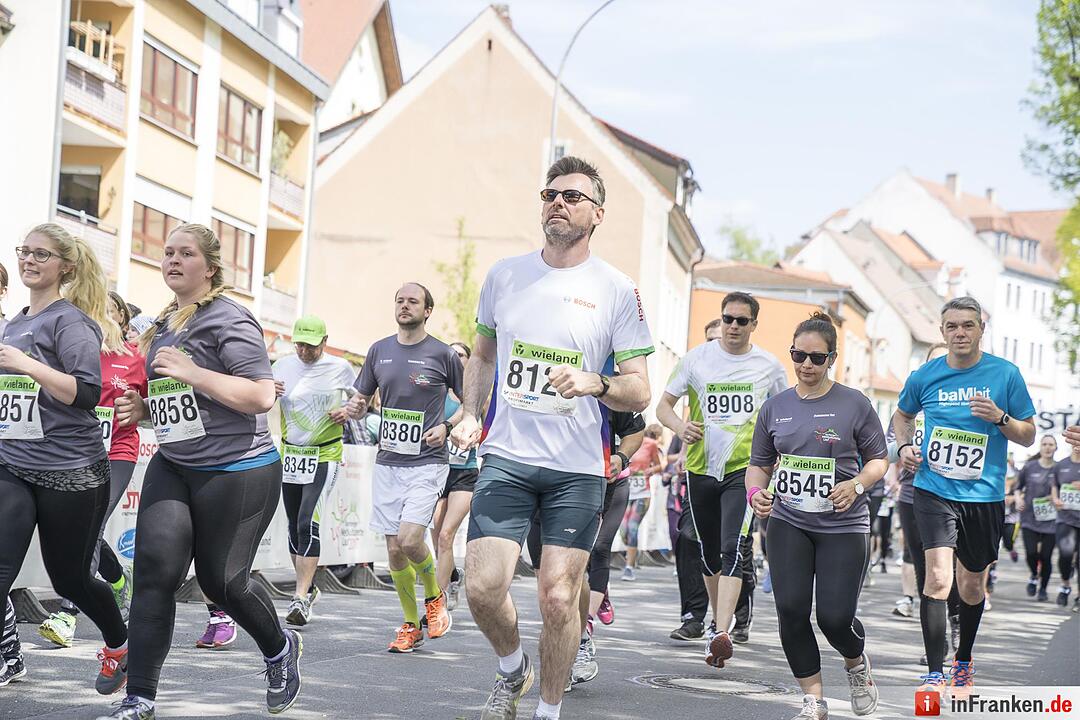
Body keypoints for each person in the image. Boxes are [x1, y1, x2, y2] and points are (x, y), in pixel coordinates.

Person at [451, 156, 653, 720]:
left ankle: (548, 710)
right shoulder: (504, 275)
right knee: (483, 588)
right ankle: (512, 668)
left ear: (597, 214)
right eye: (549, 194)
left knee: (559, 596)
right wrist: (471, 412)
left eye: (571, 196)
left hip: (577, 469)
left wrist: (596, 382)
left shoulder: (617, 290)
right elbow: (484, 354)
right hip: (507, 457)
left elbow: (640, 391)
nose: (556, 203)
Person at [99, 223, 300, 720]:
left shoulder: (230, 319)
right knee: (154, 575)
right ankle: (140, 698)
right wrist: (144, 411)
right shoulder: (165, 323)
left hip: (239, 468)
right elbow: (182, 400)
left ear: (209, 267)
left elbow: (258, 395)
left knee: (223, 582)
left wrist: (191, 372)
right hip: (176, 463)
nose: (172, 260)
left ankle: (279, 648)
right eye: (167, 252)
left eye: (185, 253)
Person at [0, 225, 130, 695]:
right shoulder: (12, 323)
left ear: (66, 267)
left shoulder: (70, 322)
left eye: (41, 254)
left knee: (71, 579)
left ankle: (120, 645)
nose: (29, 261)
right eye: (25, 252)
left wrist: (27, 364)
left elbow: (87, 394)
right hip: (13, 463)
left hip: (70, 471)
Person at [892, 296, 1036, 700]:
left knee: (971, 586)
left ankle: (964, 660)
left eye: (968, 325)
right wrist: (904, 449)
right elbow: (902, 415)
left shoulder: (1005, 375)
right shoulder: (925, 376)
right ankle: (935, 673)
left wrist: (1001, 419)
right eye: (952, 326)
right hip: (933, 489)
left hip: (984, 495)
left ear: (980, 330)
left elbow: (1028, 432)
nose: (959, 333)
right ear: (942, 332)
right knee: (937, 578)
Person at [746, 311, 887, 720]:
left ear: (832, 359)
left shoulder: (854, 403)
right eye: (799, 355)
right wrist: (756, 492)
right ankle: (814, 699)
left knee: (834, 617)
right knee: (790, 609)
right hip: (789, 520)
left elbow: (879, 460)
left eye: (816, 358)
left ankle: (857, 663)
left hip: (843, 524)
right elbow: (760, 464)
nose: (807, 365)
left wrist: (856, 485)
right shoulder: (775, 408)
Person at [657, 295, 787, 670]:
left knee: (733, 547)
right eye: (728, 318)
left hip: (745, 469)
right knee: (709, 552)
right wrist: (681, 426)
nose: (733, 326)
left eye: (742, 321)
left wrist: (777, 451)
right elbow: (663, 406)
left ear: (754, 325)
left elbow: (783, 413)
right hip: (700, 468)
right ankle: (719, 621)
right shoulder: (696, 359)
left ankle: (721, 629)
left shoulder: (768, 366)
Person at [345, 282, 462, 652]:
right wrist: (356, 408)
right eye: (400, 300)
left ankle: (435, 597)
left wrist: (447, 426)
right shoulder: (379, 350)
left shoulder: (443, 354)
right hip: (389, 461)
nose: (404, 306)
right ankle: (410, 624)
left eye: (413, 301)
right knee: (394, 549)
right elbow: (362, 398)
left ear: (428, 310)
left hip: (427, 462)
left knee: (412, 538)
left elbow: (469, 404)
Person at [39, 290, 146, 647]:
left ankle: (67, 613)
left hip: (118, 452)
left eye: (108, 311)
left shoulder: (135, 358)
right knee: (83, 531)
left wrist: (142, 408)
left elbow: (158, 400)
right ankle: (117, 580)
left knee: (92, 525)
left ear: (121, 319)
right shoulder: (72, 351)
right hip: (76, 453)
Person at [273, 315, 355, 625]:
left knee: (309, 520)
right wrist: (270, 391)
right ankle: (307, 590)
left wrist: (348, 410)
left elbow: (362, 400)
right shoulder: (281, 365)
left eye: (311, 346)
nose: (304, 352)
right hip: (291, 453)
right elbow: (264, 397)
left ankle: (299, 598)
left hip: (325, 453)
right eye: (300, 345)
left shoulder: (340, 368)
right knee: (294, 524)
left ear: (324, 341)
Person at [432, 341, 479, 612]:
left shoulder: (473, 392)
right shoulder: (436, 390)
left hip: (465, 472)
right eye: (451, 353)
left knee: (447, 534)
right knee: (437, 533)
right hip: (439, 469)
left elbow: (480, 421)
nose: (455, 357)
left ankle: (437, 603)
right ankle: (452, 577)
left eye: (460, 354)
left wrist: (475, 433)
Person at [1014, 435, 1060, 602]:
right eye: (1044, 444)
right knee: (1031, 553)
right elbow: (1018, 488)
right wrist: (1018, 499)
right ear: (1040, 447)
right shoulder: (1030, 467)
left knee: (1046, 556)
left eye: (1051, 445)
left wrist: (1056, 498)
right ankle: (1034, 574)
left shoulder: (1059, 468)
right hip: (1029, 519)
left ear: (1056, 448)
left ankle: (1043, 589)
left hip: (1052, 521)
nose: (1048, 447)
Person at [619, 424, 664, 581]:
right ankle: (633, 551)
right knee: (623, 530)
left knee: (632, 527)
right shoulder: (624, 441)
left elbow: (660, 465)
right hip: (626, 491)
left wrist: (651, 470)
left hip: (642, 493)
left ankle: (629, 567)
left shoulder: (650, 444)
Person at [1050, 439, 1080, 611]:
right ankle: (1066, 584)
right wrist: (1055, 499)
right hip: (1065, 517)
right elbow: (1055, 486)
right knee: (1066, 553)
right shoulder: (1061, 465)